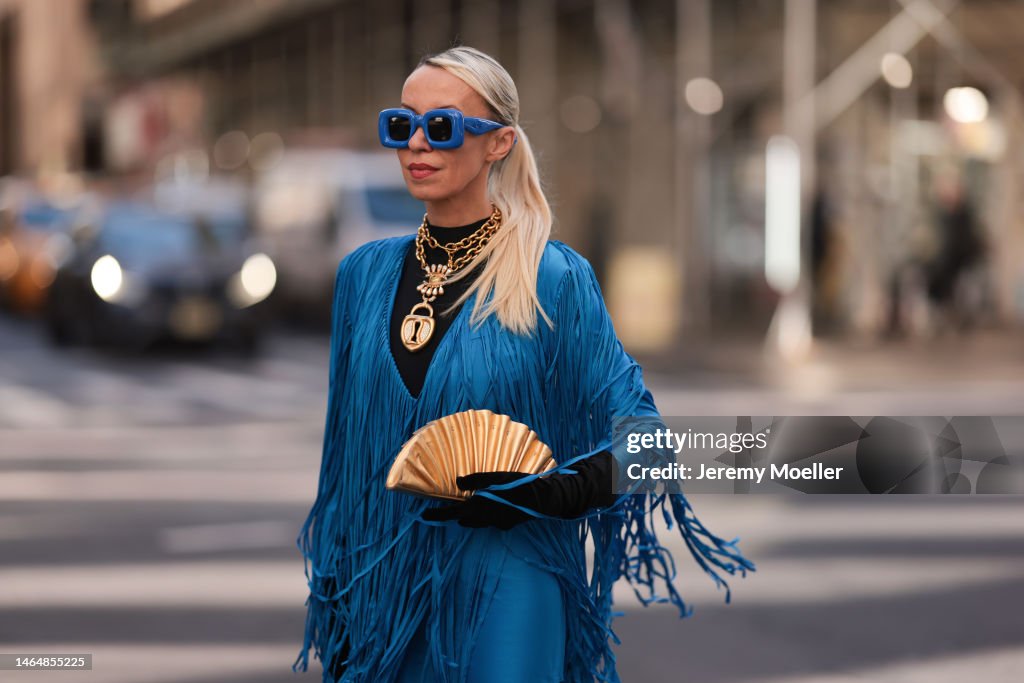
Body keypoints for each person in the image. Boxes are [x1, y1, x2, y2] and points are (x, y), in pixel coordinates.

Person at [292, 45, 755, 683]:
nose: (417, 144)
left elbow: (647, 445)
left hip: (511, 579)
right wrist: (338, 607)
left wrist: (548, 493)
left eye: (444, 126)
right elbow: (346, 466)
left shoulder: (552, 276)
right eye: (401, 125)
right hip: (384, 587)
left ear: (498, 143)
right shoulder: (363, 275)